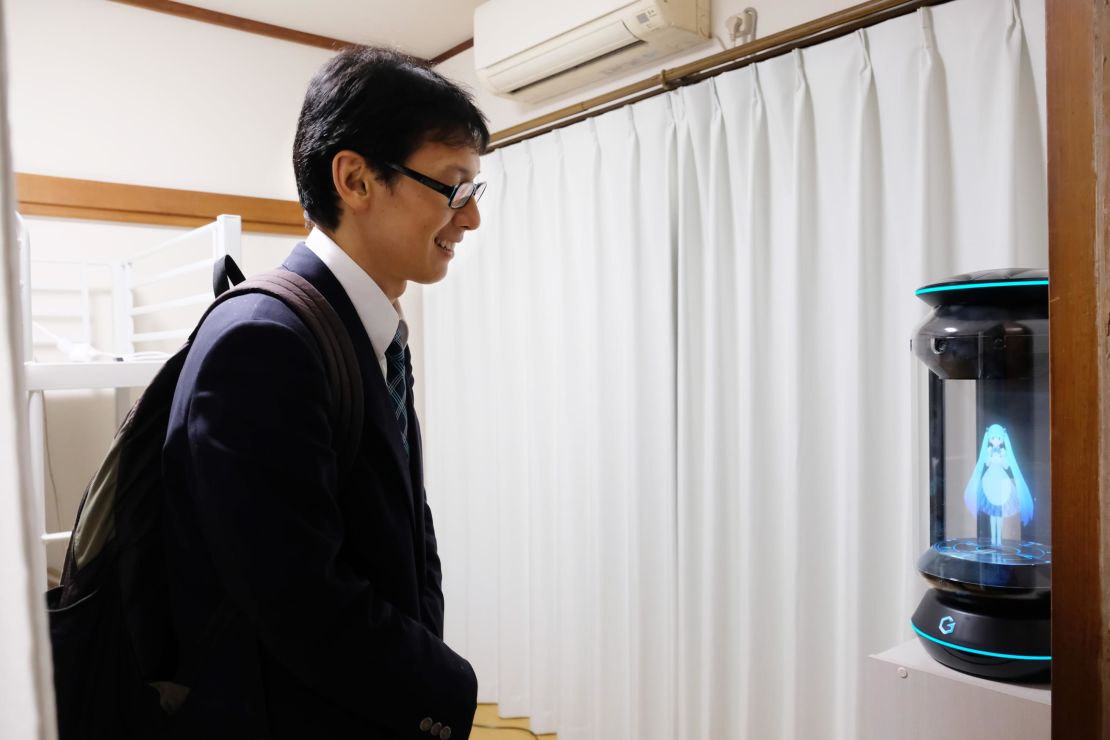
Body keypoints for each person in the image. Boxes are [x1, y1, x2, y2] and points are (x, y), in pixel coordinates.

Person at [162, 45, 488, 739]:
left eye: (474, 192)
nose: (470, 219)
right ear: (356, 179)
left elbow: (400, 523)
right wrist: (445, 687)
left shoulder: (357, 328)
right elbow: (297, 600)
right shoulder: (264, 340)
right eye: (453, 188)